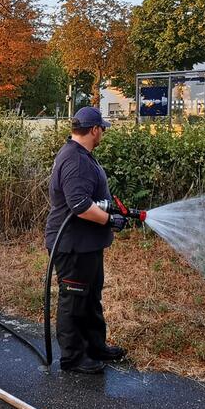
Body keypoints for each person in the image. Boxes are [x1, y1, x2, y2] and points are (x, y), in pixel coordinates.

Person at [45, 106, 130, 375]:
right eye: (102, 128)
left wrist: (109, 212)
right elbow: (80, 205)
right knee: (74, 300)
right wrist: (109, 220)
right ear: (94, 130)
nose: (103, 132)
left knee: (91, 297)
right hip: (72, 245)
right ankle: (73, 358)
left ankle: (95, 347)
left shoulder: (79, 155)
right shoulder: (76, 160)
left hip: (86, 244)